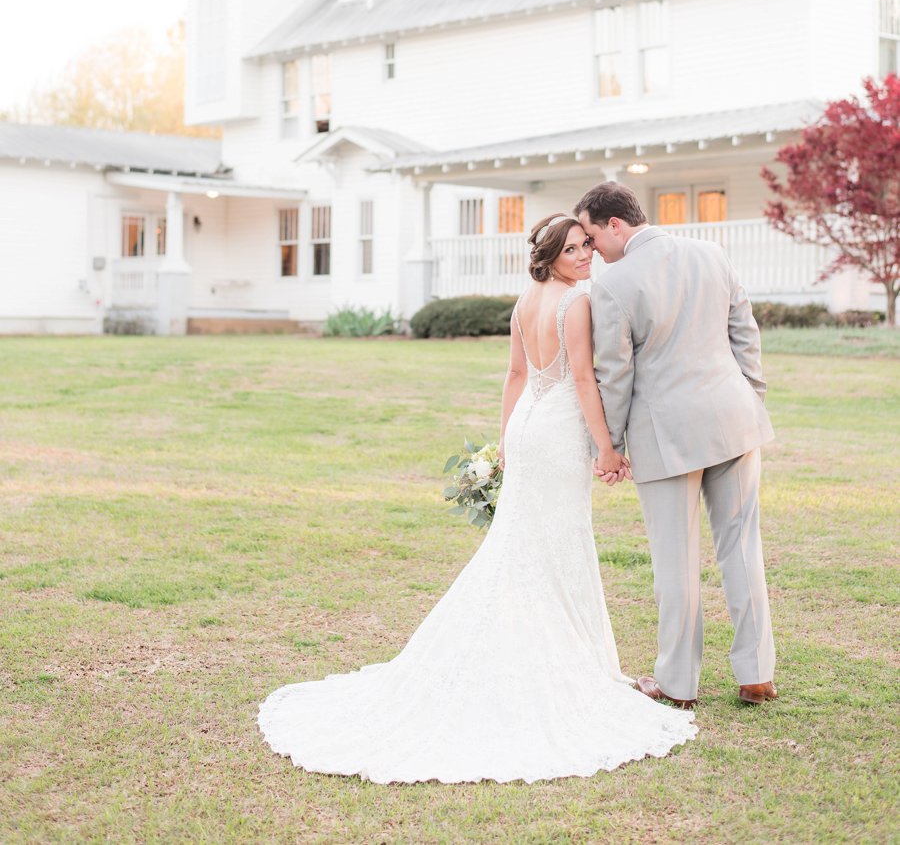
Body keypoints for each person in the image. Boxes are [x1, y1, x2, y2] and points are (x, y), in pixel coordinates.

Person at [257, 214, 697, 783]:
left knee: (525, 543)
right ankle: (556, 664)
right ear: (551, 258)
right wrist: (608, 450)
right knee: (557, 541)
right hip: (559, 431)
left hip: (528, 428)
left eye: (587, 244)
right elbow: (585, 380)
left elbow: (515, 374)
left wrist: (508, 436)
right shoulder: (578, 304)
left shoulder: (523, 303)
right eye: (574, 249)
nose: (586, 254)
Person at [575, 182, 777, 709]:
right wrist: (749, 397)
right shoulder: (712, 253)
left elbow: (615, 374)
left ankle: (677, 683)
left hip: (666, 434)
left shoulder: (613, 284)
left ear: (614, 224)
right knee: (742, 546)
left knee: (676, 560)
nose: (592, 250)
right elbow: (745, 334)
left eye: (593, 237)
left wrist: (611, 445)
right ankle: (756, 674)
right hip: (733, 420)